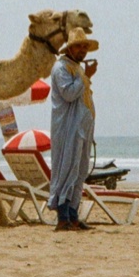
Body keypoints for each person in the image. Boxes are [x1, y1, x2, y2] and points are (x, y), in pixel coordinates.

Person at [47, 27, 99, 231]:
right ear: (70, 48)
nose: (83, 50)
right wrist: (86, 77)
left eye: (85, 46)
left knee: (79, 170)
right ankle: (63, 217)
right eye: (79, 46)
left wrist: (85, 76)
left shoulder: (76, 69)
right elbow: (69, 94)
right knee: (66, 169)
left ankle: (73, 215)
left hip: (82, 128)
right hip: (68, 129)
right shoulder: (61, 68)